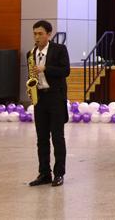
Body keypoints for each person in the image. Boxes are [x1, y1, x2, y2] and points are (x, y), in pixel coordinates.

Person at [28, 20, 70, 187]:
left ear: (49, 34)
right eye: (35, 34)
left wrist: (45, 68)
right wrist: (30, 88)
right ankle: (44, 173)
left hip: (56, 98)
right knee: (42, 138)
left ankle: (59, 173)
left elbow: (65, 70)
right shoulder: (31, 53)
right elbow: (31, 75)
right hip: (40, 99)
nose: (37, 37)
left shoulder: (59, 49)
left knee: (57, 137)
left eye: (40, 34)